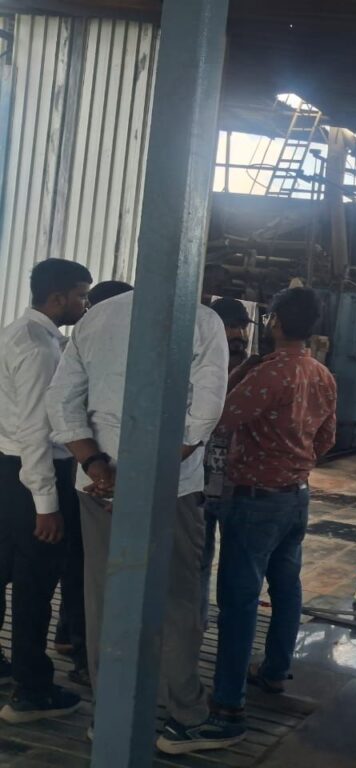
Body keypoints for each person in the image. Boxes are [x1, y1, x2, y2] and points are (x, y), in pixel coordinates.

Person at [46, 289, 238, 754]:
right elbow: (204, 413)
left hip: (98, 487)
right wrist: (141, 481)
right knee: (175, 600)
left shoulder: (98, 318)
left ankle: (109, 716)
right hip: (169, 490)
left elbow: (62, 401)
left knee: (104, 599)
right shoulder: (202, 320)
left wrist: (97, 465)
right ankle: (186, 718)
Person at [211, 288, 336, 729]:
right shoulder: (322, 374)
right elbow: (326, 440)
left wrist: (239, 371)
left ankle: (228, 700)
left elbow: (220, 417)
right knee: (286, 587)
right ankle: (275, 671)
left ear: (276, 321)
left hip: (255, 499)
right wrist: (294, 461)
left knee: (239, 599)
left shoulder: (269, 373)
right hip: (297, 495)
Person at [0, 259, 91, 723]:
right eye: (81, 296)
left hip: (8, 468)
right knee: (35, 586)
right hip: (33, 474)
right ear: (57, 298)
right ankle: (31, 690)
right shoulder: (39, 349)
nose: (85, 305)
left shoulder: (18, 334)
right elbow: (36, 431)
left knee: (6, 572)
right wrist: (46, 504)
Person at [52, 281, 133, 682]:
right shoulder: (92, 348)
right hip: (92, 472)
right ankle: (86, 652)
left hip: (85, 468)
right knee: (90, 567)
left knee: (80, 562)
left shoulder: (80, 347)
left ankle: (73, 637)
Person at [199, 298, 256, 629]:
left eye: (242, 327)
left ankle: (231, 638)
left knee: (237, 569)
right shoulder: (200, 363)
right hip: (199, 483)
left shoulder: (257, 369)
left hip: (240, 486)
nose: (238, 334)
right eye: (230, 326)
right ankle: (195, 627)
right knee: (197, 560)